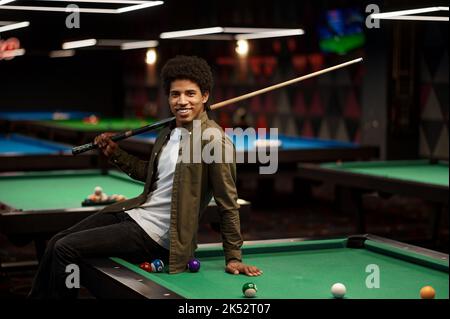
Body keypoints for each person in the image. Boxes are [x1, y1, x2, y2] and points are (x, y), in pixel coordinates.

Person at [28, 55, 262, 299]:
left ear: (205, 96)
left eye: (190, 94)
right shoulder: (168, 132)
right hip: (136, 212)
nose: (182, 101)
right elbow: (151, 176)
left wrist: (233, 257)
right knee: (56, 241)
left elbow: (228, 204)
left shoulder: (213, 140)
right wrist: (115, 153)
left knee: (65, 249)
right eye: (175, 94)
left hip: (158, 233)